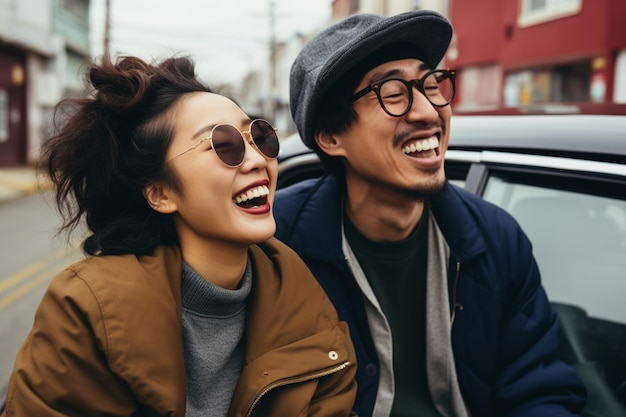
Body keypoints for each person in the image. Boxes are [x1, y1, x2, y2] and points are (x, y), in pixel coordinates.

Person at [1, 54, 357, 416]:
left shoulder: (303, 296)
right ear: (160, 193)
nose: (256, 160)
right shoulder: (88, 311)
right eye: (223, 145)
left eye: (259, 137)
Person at [273, 10, 587, 417]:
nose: (427, 112)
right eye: (392, 92)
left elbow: (540, 390)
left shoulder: (495, 239)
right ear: (332, 137)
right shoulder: (279, 247)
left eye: (429, 84)